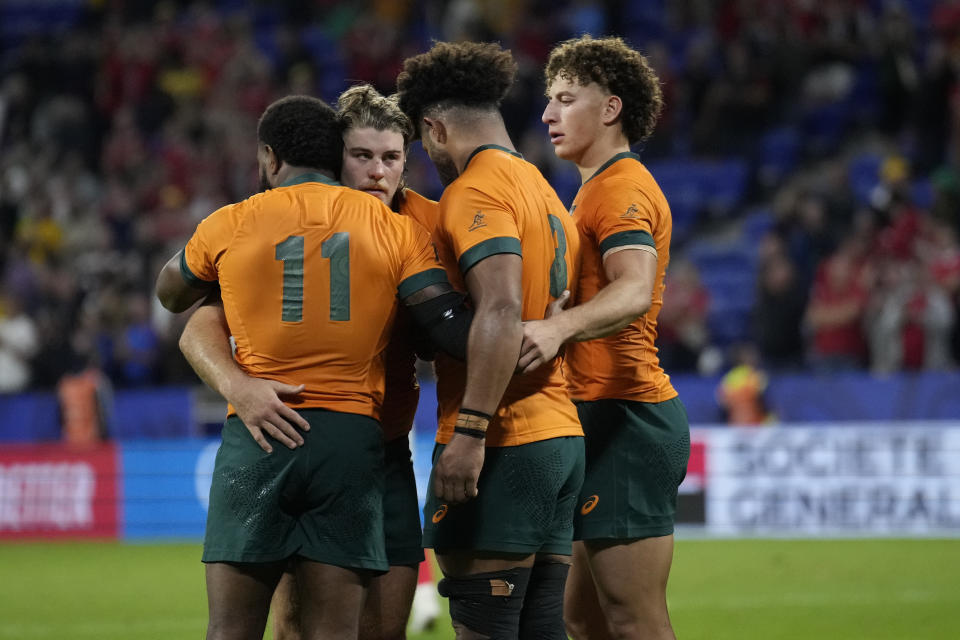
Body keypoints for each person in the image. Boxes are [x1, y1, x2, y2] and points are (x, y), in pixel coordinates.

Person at [155, 94, 470, 640]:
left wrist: (240, 377)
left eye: (390, 158)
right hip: (355, 440)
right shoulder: (402, 230)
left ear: (270, 159)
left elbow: (172, 294)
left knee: (229, 628)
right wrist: (527, 326)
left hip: (261, 433)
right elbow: (447, 327)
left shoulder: (233, 221)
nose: (377, 171)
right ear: (336, 156)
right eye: (363, 156)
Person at [395, 41, 584, 639]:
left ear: (434, 128)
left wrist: (471, 432)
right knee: (542, 629)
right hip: (558, 435)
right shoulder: (543, 188)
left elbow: (502, 304)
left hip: (502, 440)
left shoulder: (474, 190)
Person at [520, 35, 690, 640]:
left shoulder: (619, 188)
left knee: (631, 616)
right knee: (583, 618)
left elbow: (634, 288)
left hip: (626, 417)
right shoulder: (592, 188)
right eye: (549, 100)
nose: (548, 114)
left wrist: (558, 326)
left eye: (566, 98)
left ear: (611, 109)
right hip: (596, 415)